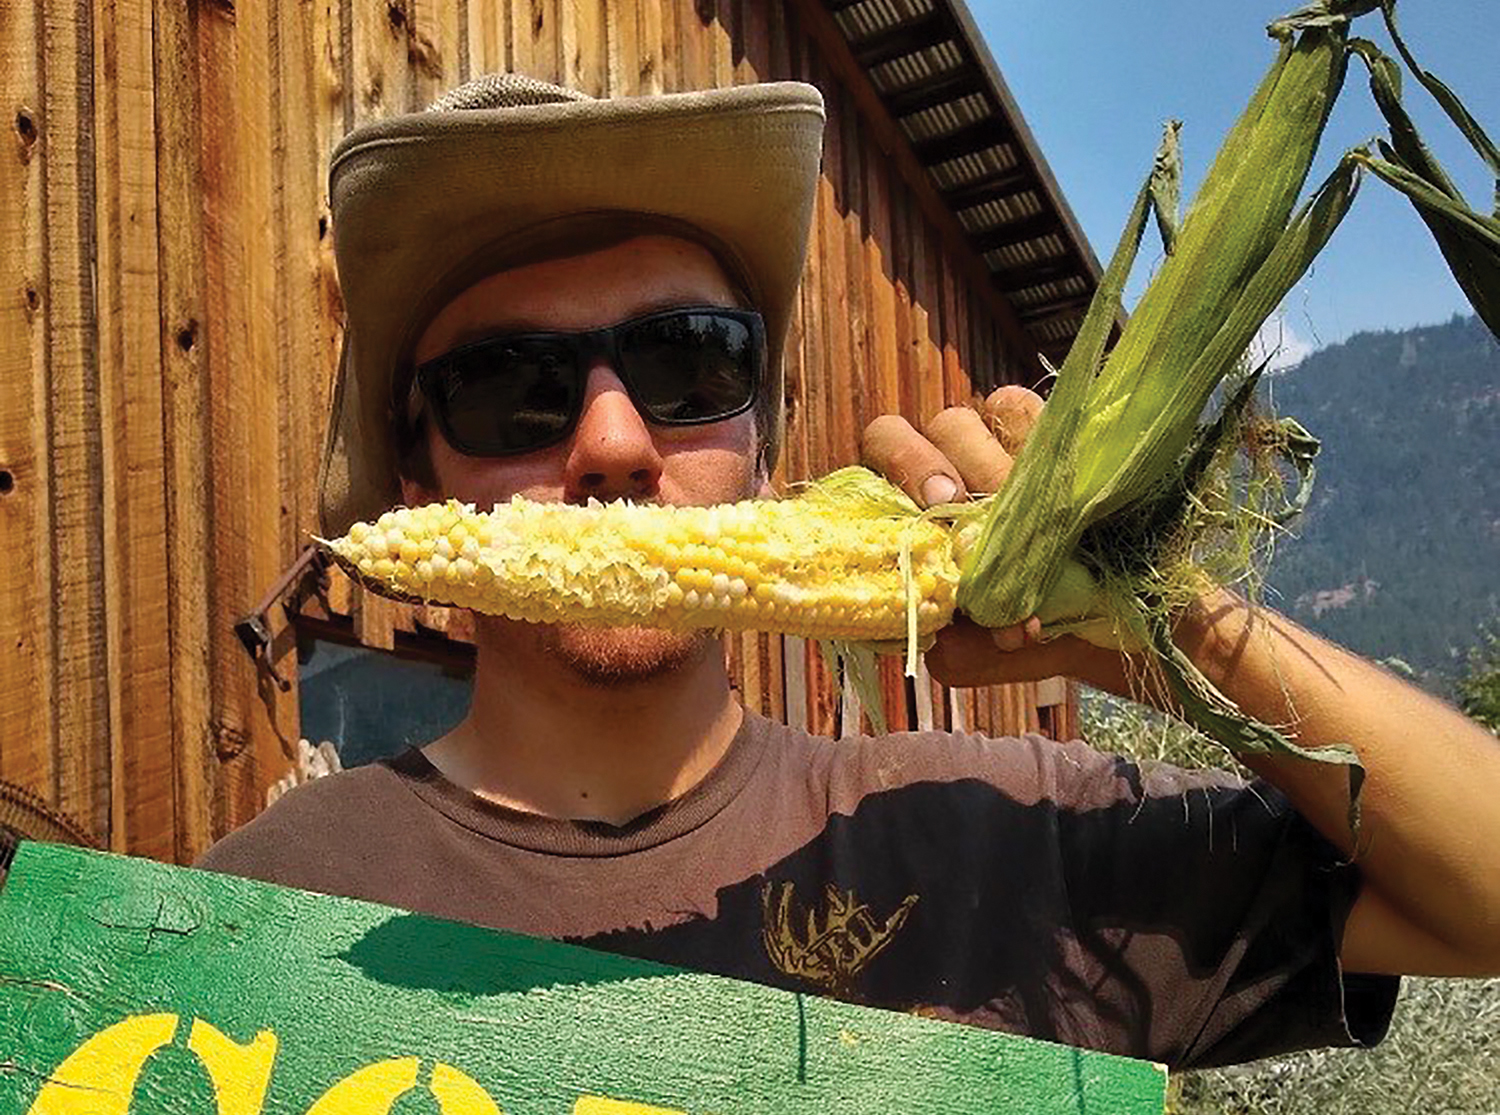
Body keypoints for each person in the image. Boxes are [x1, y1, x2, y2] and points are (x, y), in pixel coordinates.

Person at [200, 74, 1500, 1070]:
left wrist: (1157, 620)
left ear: (764, 446)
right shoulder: (260, 912)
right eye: (509, 389)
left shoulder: (1017, 839)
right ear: (421, 482)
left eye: (687, 366)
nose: (613, 443)